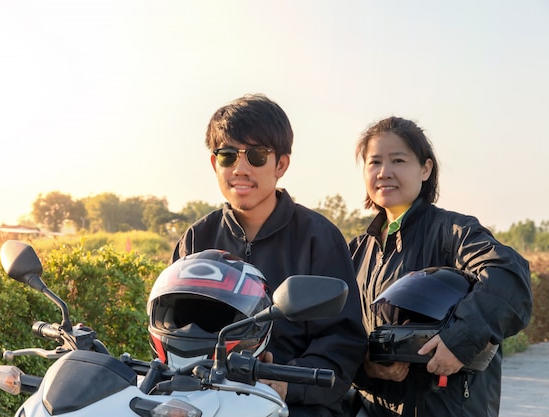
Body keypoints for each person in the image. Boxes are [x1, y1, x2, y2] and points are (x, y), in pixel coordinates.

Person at [171, 93, 367, 417]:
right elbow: (172, 325)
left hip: (296, 406)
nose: (241, 168)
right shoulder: (197, 239)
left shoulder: (319, 238)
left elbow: (342, 341)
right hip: (208, 402)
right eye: (228, 156)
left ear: (281, 164)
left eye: (257, 156)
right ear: (214, 163)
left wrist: (283, 384)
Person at [348, 116, 533, 417]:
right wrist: (366, 366)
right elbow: (336, 334)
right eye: (374, 162)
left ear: (425, 168)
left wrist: (458, 341)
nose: (385, 172)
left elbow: (509, 276)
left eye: (398, 160)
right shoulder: (354, 252)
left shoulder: (452, 232)